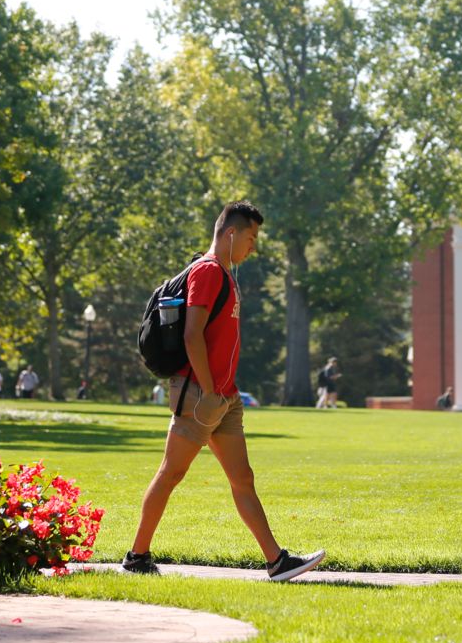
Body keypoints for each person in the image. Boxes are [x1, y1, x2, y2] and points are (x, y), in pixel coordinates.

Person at [122, 200, 323, 582]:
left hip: (223, 398)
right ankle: (137, 556)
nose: (253, 246)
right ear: (230, 234)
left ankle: (277, 562)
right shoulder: (209, 272)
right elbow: (191, 334)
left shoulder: (226, 275)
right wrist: (211, 390)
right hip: (201, 395)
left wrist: (224, 393)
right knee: (171, 473)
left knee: (242, 478)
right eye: (250, 237)